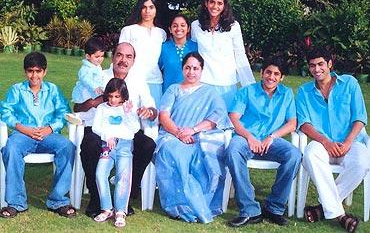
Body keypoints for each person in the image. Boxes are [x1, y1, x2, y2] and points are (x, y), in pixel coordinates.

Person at [74, 42, 157, 218]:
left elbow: (152, 109)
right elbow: (77, 107)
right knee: (90, 144)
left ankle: (126, 197)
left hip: (127, 131)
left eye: (129, 57)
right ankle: (97, 199)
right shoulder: (98, 76)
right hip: (99, 130)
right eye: (119, 55)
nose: (123, 60)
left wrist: (148, 111)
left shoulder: (138, 81)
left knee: (147, 145)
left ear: (133, 61)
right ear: (113, 57)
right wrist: (93, 102)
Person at [296, 47, 369, 233]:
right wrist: (325, 142)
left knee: (362, 161)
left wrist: (348, 142)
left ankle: (322, 208)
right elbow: (304, 123)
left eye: (320, 64)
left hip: (350, 143)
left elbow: (360, 117)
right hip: (323, 144)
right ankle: (340, 215)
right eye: (312, 66)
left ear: (330, 64)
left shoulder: (350, 84)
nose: (316, 69)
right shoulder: (304, 92)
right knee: (310, 154)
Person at [155, 52, 232, 223]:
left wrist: (193, 130)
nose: (191, 72)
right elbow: (164, 116)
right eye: (188, 68)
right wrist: (179, 133)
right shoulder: (173, 89)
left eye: (195, 68)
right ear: (182, 69)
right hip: (172, 135)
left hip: (199, 136)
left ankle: (198, 205)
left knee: (203, 155)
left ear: (202, 70)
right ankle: (178, 206)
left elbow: (218, 117)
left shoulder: (210, 92)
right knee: (170, 152)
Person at [225, 57, 301, 227]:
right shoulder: (247, 91)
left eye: (276, 74)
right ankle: (250, 209)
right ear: (261, 73)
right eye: (268, 72)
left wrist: (272, 137)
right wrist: (249, 137)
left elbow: (292, 123)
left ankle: (274, 207)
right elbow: (234, 117)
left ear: (281, 77)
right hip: (246, 138)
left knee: (294, 155)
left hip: (271, 141)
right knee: (233, 150)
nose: (271, 77)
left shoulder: (287, 94)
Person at [0, 52, 76, 218]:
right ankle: (16, 203)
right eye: (30, 71)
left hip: (47, 135)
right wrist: (24, 129)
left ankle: (58, 200)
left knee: (67, 147)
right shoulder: (16, 90)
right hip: (23, 134)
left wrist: (50, 128)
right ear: (25, 72)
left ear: (45, 71)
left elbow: (63, 111)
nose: (34, 75)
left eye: (38, 71)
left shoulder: (53, 90)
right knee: (10, 148)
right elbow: (5, 112)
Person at [191, 0, 255, 108]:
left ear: (224, 6)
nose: (215, 6)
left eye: (219, 3)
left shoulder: (234, 26)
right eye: (212, 2)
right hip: (203, 82)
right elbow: (193, 53)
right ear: (206, 3)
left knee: (225, 123)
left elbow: (240, 56)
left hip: (227, 83)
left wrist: (250, 86)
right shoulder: (195, 25)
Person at [92, 78, 140, 228]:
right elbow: (95, 127)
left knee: (123, 178)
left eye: (117, 96)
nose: (113, 100)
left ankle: (120, 211)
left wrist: (128, 113)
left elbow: (135, 129)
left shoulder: (128, 108)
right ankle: (106, 208)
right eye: (111, 96)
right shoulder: (102, 108)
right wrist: (107, 136)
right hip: (107, 147)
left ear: (123, 96)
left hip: (125, 147)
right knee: (100, 174)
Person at [119, 0, 167, 107]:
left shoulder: (161, 33)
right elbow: (120, 57)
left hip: (155, 81)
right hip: (132, 80)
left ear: (156, 10)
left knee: (152, 120)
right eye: (144, 7)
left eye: (151, 7)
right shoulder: (128, 30)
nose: (147, 11)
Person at [69, 37, 106, 123]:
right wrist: (95, 87)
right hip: (85, 91)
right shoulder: (86, 68)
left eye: (102, 56)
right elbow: (85, 78)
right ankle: (76, 116)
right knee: (88, 105)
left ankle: (81, 118)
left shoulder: (96, 66)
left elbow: (100, 78)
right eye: (97, 56)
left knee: (92, 109)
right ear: (88, 56)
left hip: (93, 91)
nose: (100, 59)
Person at [158, 13, 198, 93]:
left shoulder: (195, 47)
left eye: (182, 25)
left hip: (190, 94)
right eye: (175, 26)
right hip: (169, 93)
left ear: (188, 28)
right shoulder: (163, 47)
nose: (179, 28)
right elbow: (157, 68)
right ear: (170, 29)